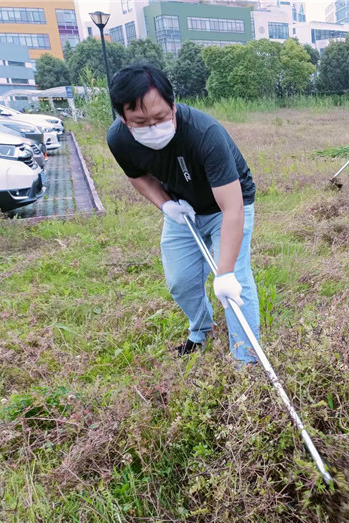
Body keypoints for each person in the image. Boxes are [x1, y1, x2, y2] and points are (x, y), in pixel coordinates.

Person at [106, 64, 260, 364]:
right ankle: (201, 330)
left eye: (161, 117)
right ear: (123, 119)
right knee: (181, 281)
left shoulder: (204, 133)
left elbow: (232, 208)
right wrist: (166, 205)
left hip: (225, 208)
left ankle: (246, 361)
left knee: (235, 286)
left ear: (173, 106)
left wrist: (225, 272)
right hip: (181, 208)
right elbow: (137, 176)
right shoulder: (119, 140)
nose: (153, 127)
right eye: (140, 122)